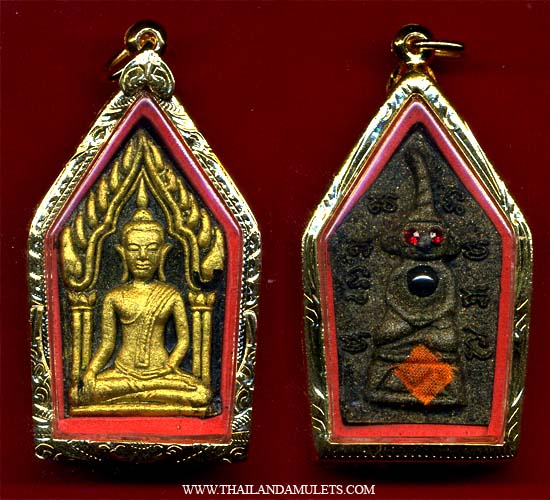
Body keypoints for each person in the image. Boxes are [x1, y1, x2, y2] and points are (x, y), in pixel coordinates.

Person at [81, 206, 210, 408]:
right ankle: (149, 394)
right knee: (80, 393)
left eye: (151, 249)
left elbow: (184, 340)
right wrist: (91, 372)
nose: (143, 256)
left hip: (161, 373)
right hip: (123, 372)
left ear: (163, 253)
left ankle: (140, 394)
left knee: (201, 394)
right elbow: (107, 344)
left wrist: (170, 366)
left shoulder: (171, 294)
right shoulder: (114, 296)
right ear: (123, 253)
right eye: (134, 249)